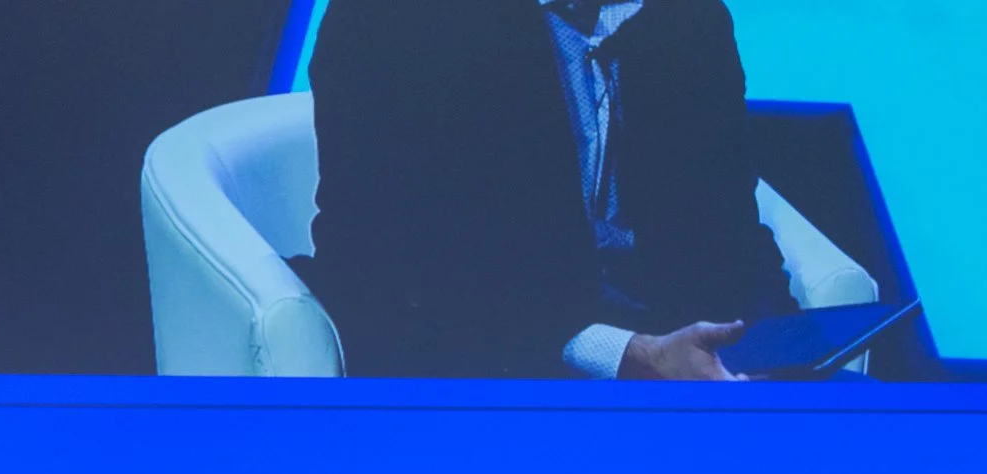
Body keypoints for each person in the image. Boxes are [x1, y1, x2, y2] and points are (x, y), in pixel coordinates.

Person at [299, 0, 797, 380]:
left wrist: (782, 350)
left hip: (670, 352)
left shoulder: (688, 20)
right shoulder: (388, 22)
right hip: (476, 357)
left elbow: (732, 225)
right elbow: (389, 262)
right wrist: (625, 354)